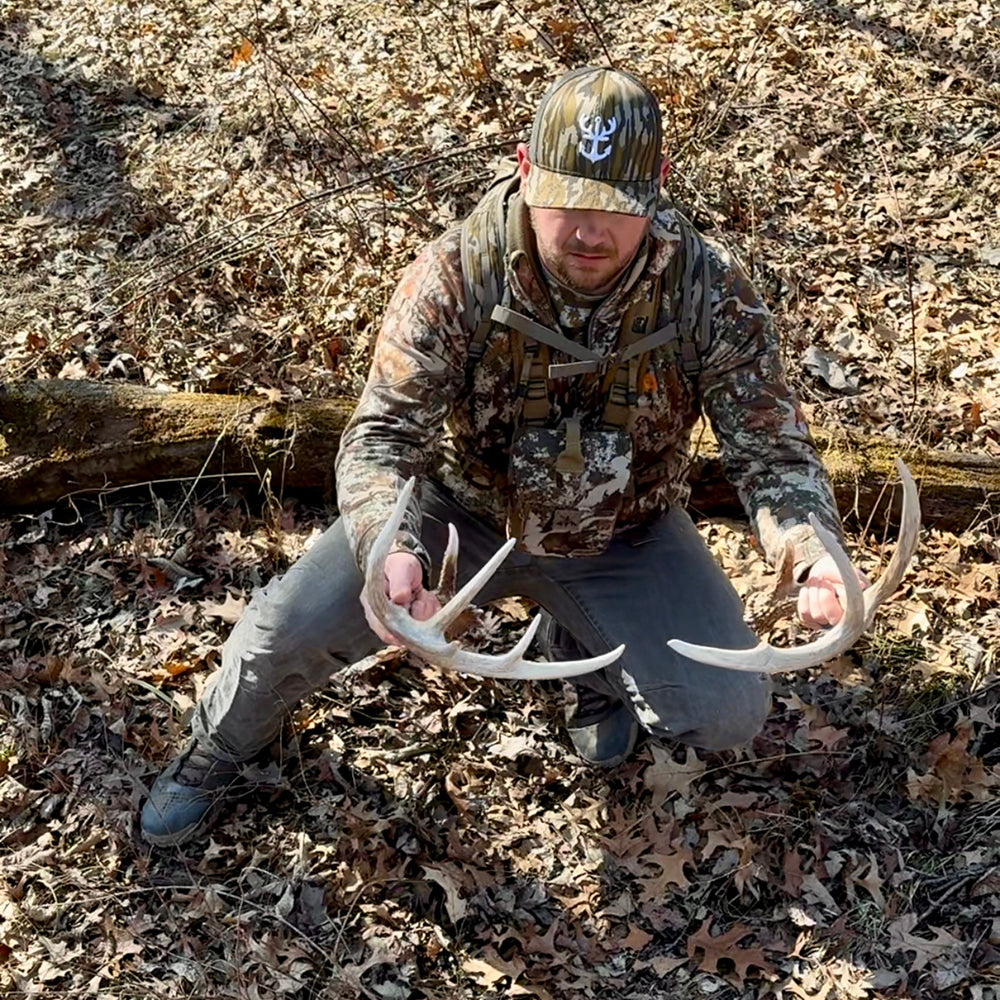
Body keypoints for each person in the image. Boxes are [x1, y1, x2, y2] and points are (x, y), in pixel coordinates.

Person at [141, 66, 853, 847]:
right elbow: (381, 436)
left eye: (615, 210)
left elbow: (772, 449)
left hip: (623, 529)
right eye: (568, 202)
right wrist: (390, 544)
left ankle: (582, 652)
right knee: (278, 636)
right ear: (523, 169)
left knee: (727, 709)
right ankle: (221, 745)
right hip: (456, 520)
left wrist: (809, 549)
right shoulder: (458, 273)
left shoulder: (706, 289)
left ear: (657, 187)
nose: (589, 233)